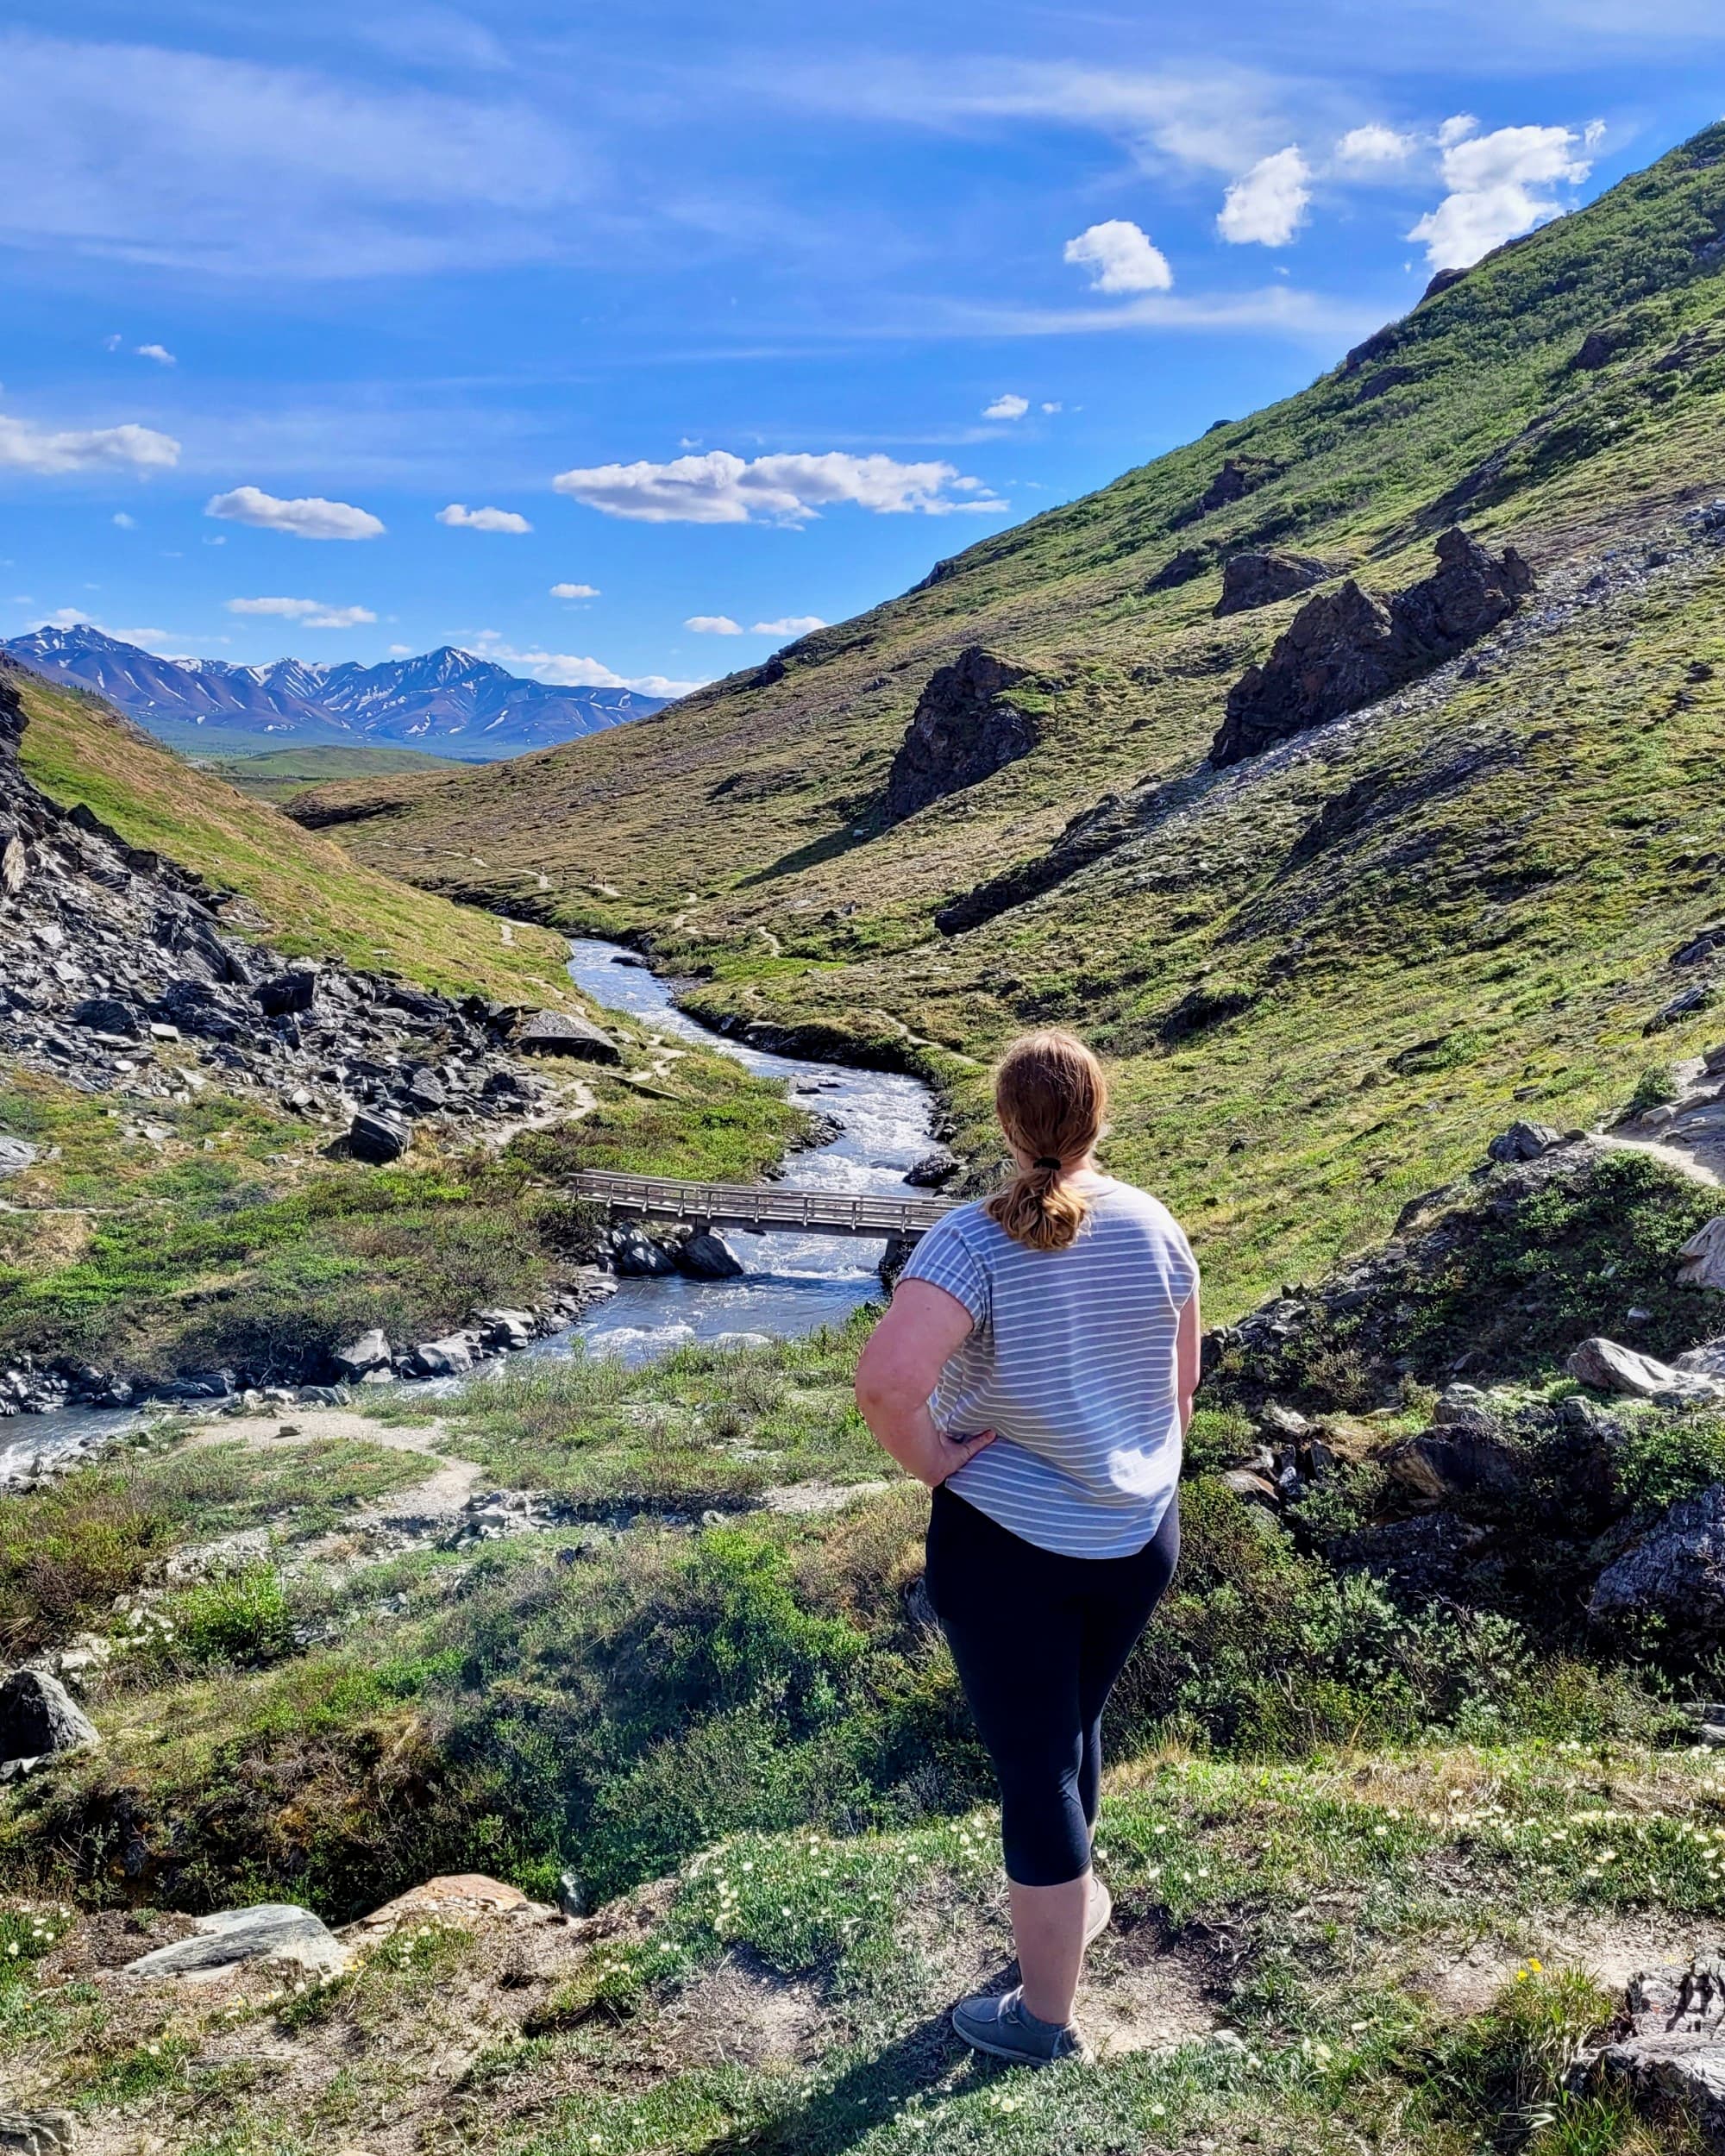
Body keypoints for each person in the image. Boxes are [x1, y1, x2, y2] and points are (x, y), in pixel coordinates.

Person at [855, 1028, 1200, 2067]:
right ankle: (1072, 1908)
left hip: (1007, 1548)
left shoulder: (969, 1241)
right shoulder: (1154, 1224)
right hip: (1135, 1535)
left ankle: (1044, 2019)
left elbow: (885, 1386)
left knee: (1034, 1766)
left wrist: (935, 1461)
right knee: (1071, 1727)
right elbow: (1181, 1384)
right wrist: (1135, 1467)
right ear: (1098, 1116)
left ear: (1006, 1124)